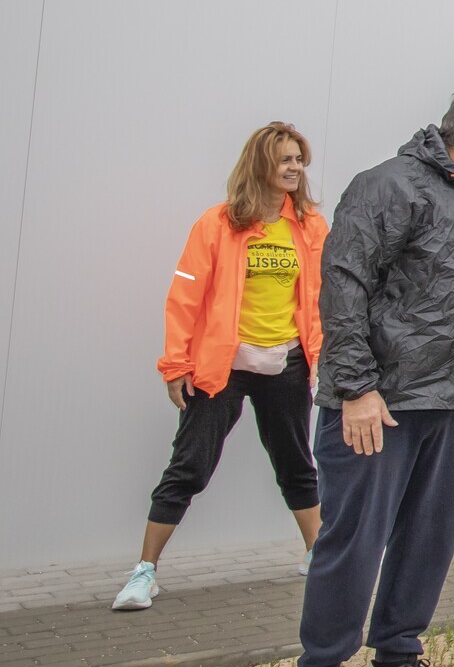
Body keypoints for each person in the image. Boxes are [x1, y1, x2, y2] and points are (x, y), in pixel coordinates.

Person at [291, 91, 454, 667]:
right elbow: (342, 281)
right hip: (378, 406)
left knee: (431, 536)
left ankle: (396, 661)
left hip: (452, 403)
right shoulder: (387, 188)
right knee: (353, 539)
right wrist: (358, 388)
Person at [115, 124, 328, 613]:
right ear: (260, 165)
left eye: (299, 159)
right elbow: (185, 297)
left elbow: (322, 298)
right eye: (285, 160)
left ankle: (318, 553)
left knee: (296, 463)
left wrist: (327, 354)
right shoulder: (217, 224)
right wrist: (175, 364)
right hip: (223, 364)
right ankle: (144, 572)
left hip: (288, 361)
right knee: (189, 466)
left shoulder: (312, 226)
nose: (295, 167)